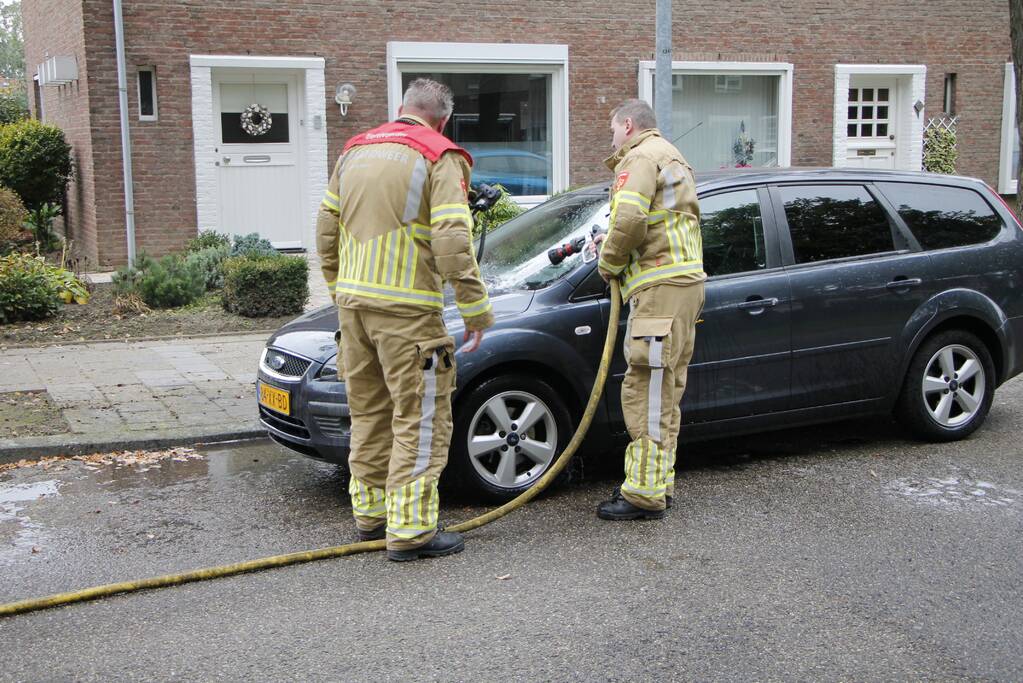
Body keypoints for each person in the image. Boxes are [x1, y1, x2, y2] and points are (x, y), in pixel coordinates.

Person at [316, 78, 494, 560]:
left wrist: (340, 290)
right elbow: (452, 239)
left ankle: (371, 516)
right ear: (443, 119)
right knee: (420, 418)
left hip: (354, 311)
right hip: (408, 314)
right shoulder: (439, 155)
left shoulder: (353, 151)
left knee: (368, 414)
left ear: (401, 108)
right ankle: (412, 531)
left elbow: (326, 231)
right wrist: (475, 309)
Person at [594, 98, 706, 521]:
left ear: (628, 125)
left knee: (645, 390)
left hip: (659, 288)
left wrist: (609, 262)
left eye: (612, 130)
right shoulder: (674, 156)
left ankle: (643, 493)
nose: (612, 139)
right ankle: (659, 483)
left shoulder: (641, 156)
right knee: (666, 389)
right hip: (685, 287)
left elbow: (629, 220)